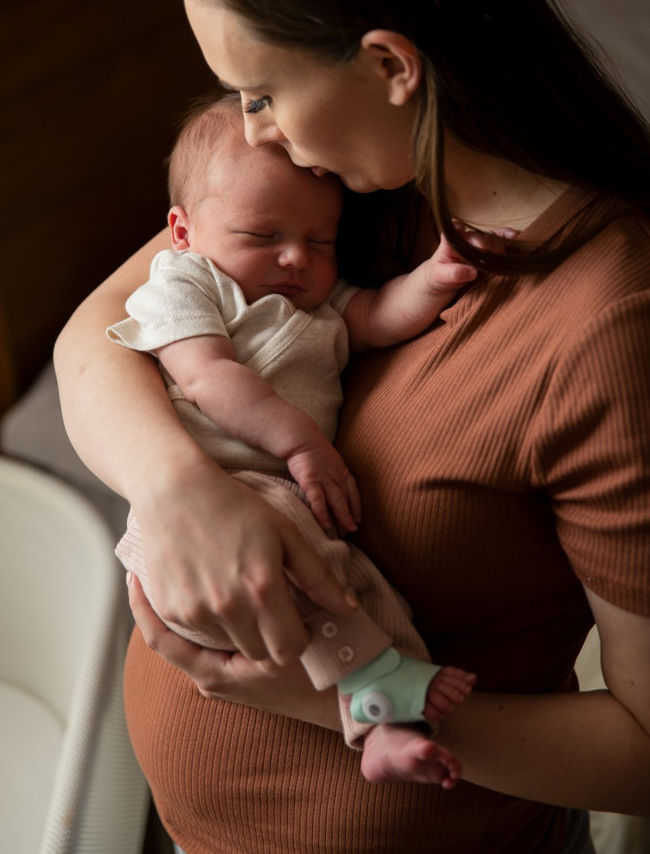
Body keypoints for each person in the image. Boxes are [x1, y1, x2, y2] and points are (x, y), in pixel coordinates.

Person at [53, 0, 650, 852]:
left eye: (263, 91)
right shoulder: (327, 198)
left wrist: (323, 701)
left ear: (388, 65)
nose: (252, 133)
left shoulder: (610, 324)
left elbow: (645, 748)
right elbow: (94, 334)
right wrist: (181, 491)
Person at [108, 90, 488, 782]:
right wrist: (303, 445)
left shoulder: (316, 297)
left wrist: (433, 280)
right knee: (317, 575)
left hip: (277, 506)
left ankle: (384, 724)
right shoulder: (185, 282)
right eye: (261, 237)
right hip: (212, 505)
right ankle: (378, 697)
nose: (295, 259)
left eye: (319, 241)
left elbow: (375, 316)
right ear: (183, 231)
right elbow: (208, 376)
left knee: (358, 589)